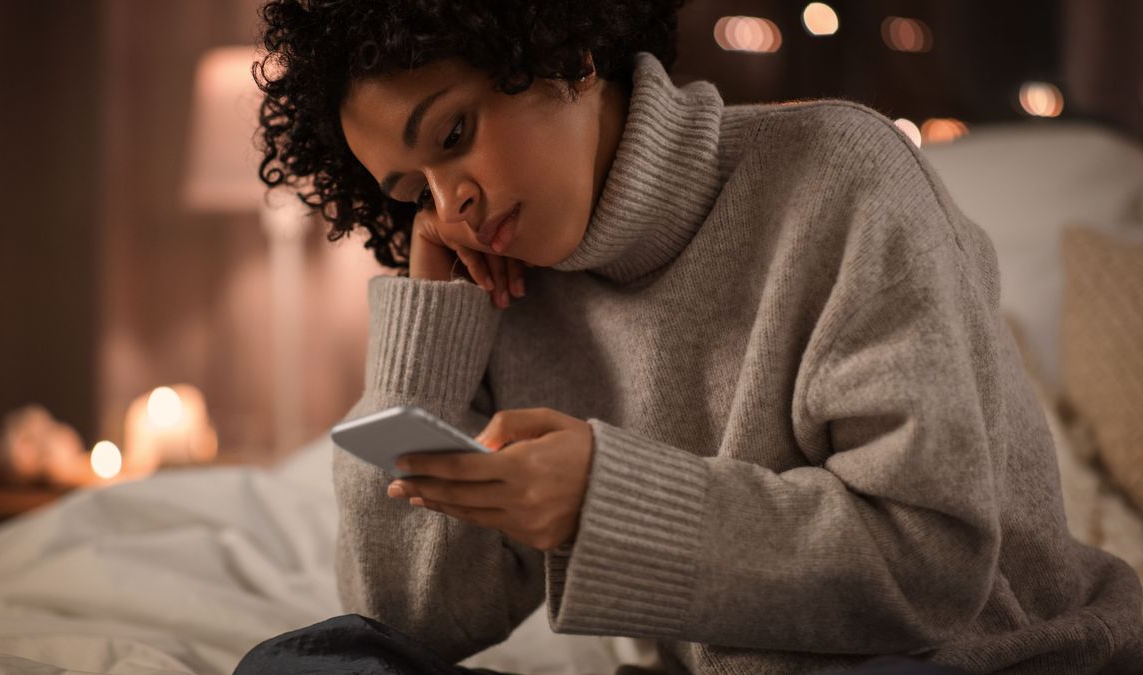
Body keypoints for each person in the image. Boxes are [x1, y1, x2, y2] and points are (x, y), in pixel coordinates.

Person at [238, 1, 1143, 673]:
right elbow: (406, 620)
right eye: (411, 190)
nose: (451, 204)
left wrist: (606, 503)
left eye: (454, 134)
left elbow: (931, 567)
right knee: (313, 665)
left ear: (567, 50)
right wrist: (424, 338)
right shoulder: (502, 282)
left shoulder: (844, 176)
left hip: (964, 657)